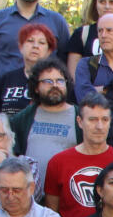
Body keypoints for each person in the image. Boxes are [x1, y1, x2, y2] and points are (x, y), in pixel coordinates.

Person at [44, 95, 113, 217]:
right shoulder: (58, 163)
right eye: (93, 119)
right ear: (79, 122)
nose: (99, 126)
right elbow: (52, 215)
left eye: (104, 120)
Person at [8, 56, 75, 191]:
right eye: (48, 81)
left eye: (60, 80)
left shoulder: (80, 117)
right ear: (36, 87)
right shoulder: (23, 118)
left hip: (67, 193)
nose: (55, 85)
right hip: (31, 196)